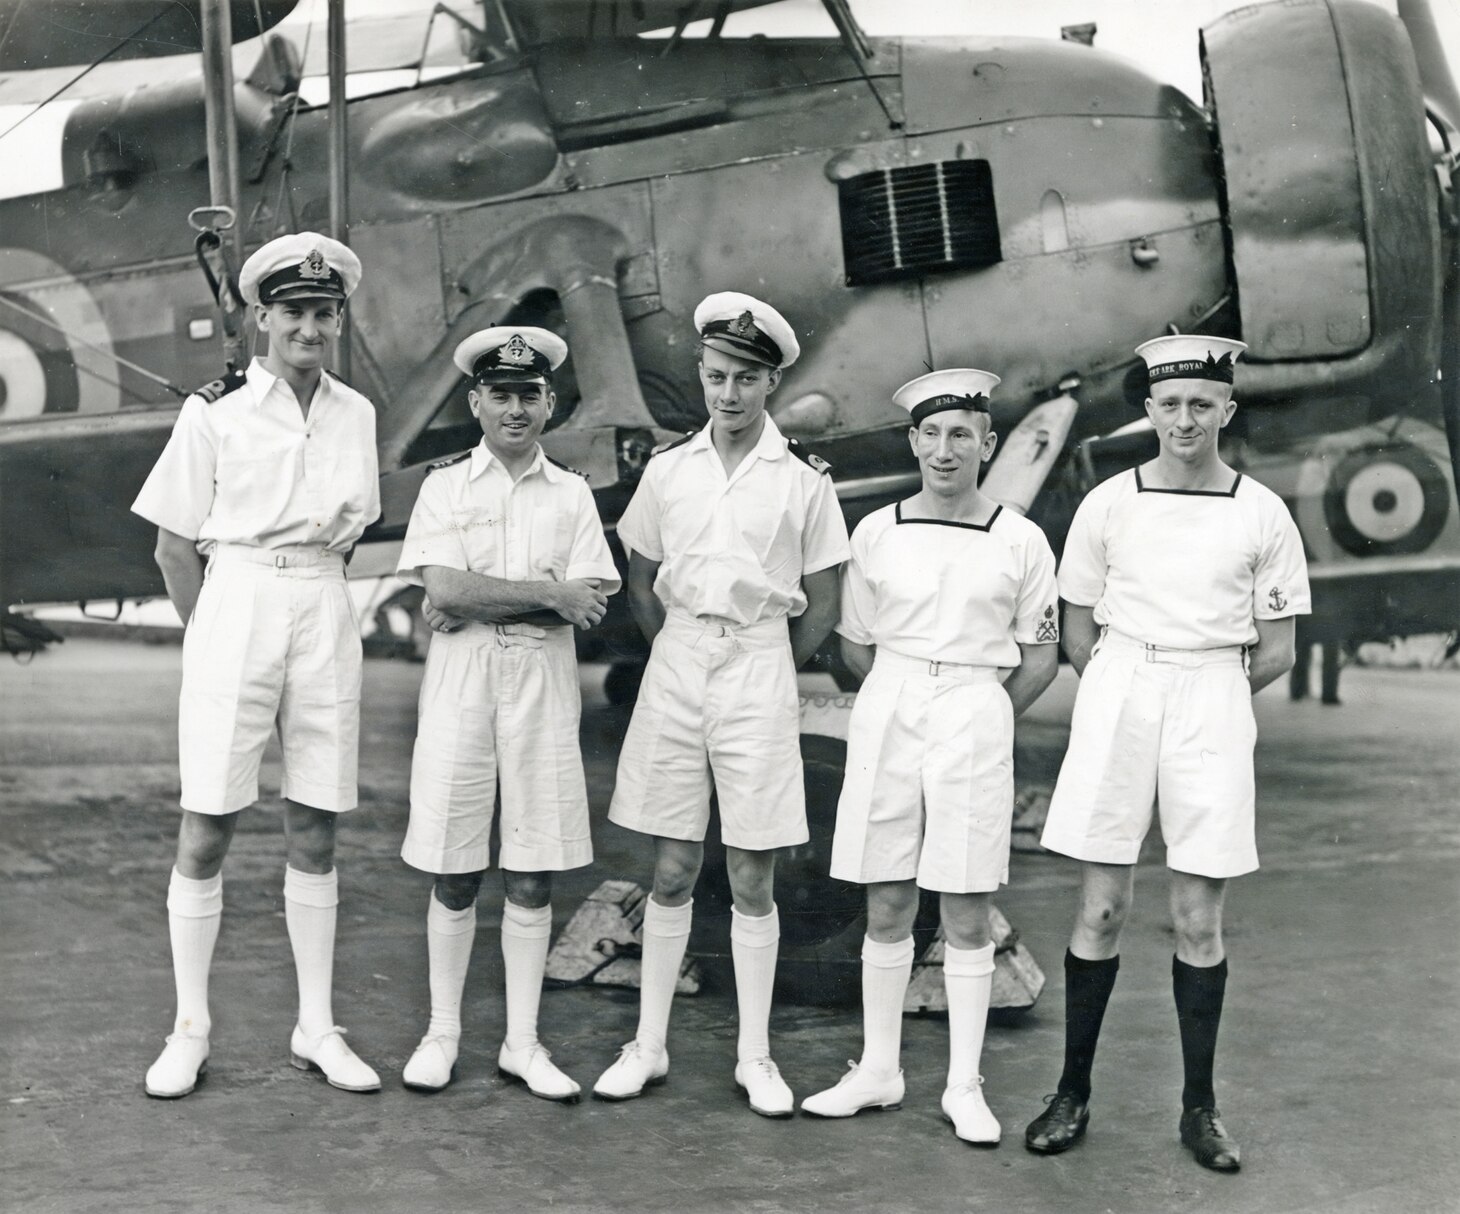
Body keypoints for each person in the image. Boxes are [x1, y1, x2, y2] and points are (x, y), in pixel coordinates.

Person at [1024, 335, 1310, 1172]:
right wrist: (1124, 686)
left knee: (1198, 916)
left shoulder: (1261, 512)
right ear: (1148, 411)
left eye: (1201, 404)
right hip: (1123, 687)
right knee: (1102, 909)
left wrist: (1207, 696)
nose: (1185, 419)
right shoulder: (1110, 502)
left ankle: (1200, 1109)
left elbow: (1280, 649)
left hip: (1214, 693)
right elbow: (1077, 625)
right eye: (1170, 404)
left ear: (1227, 409)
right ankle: (1071, 1092)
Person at [132, 232, 382, 1098]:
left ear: (338, 319)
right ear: (260, 317)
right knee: (209, 821)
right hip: (233, 600)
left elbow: (349, 534)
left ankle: (317, 1025)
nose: (308, 327)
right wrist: (210, 639)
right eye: (292, 313)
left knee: (316, 820)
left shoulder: (356, 413)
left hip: (321, 601)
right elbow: (173, 548)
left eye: (323, 313)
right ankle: (189, 1028)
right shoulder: (215, 412)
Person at [591, 292, 849, 1117]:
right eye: (715, 376)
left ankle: (756, 1055)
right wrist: (685, 647)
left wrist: (763, 658)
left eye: (745, 378)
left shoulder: (804, 482)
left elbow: (826, 600)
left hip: (758, 665)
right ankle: (649, 1045)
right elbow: (641, 581)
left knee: (751, 872)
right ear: (701, 376)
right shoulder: (669, 471)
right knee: (669, 867)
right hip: (679, 662)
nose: (728, 393)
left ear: (771, 382)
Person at [799, 369, 1060, 1145]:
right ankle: (879, 1071)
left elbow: (1040, 657)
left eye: (962, 435)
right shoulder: (876, 530)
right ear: (913, 441)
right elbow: (855, 645)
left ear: (987, 443)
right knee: (886, 900)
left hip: (977, 706)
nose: (946, 450)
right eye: (931, 434)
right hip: (892, 702)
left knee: (966, 908)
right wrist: (901, 703)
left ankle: (963, 1085)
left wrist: (981, 715)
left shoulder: (1020, 538)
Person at [394, 327, 619, 1101]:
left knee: (531, 872)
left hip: (542, 694)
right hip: (461, 690)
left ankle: (523, 1042)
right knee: (456, 870)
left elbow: (588, 603)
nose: (515, 408)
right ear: (476, 402)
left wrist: (484, 592)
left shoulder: (573, 494)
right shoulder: (445, 485)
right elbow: (444, 593)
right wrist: (544, 593)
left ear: (550, 402)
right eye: (501, 394)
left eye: (530, 394)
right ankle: (443, 1032)